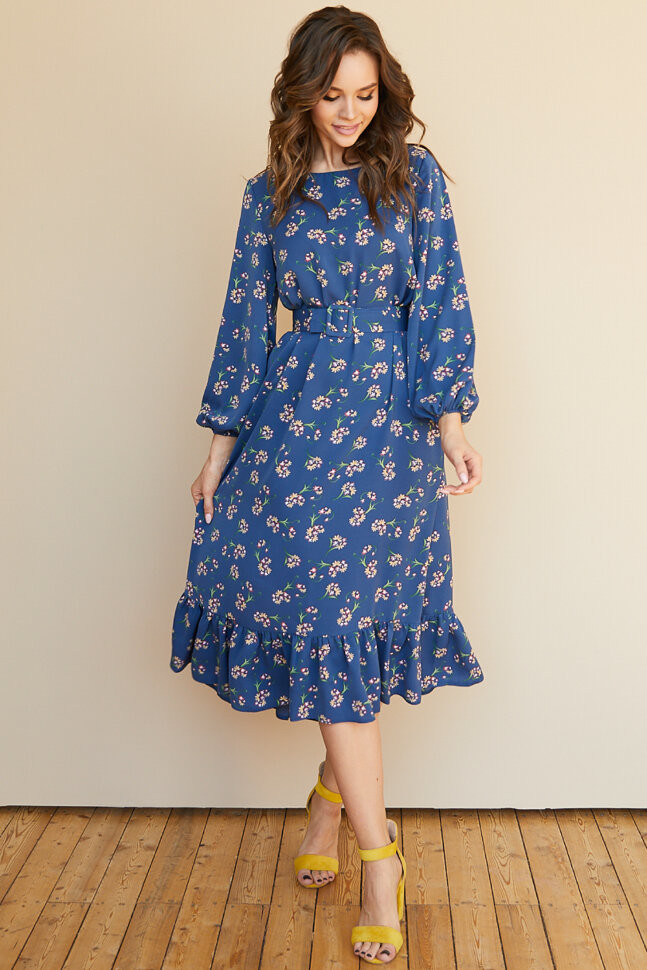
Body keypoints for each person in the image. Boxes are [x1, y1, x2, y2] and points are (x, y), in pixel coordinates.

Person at [170, 5, 484, 964]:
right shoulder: (268, 195)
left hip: (387, 438)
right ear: (300, 95)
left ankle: (346, 829)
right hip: (293, 431)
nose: (349, 113)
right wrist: (219, 447)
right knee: (323, 627)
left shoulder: (414, 179)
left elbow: (439, 299)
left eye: (365, 94)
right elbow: (242, 323)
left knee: (348, 633)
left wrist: (450, 422)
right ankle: (363, 841)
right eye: (332, 95)